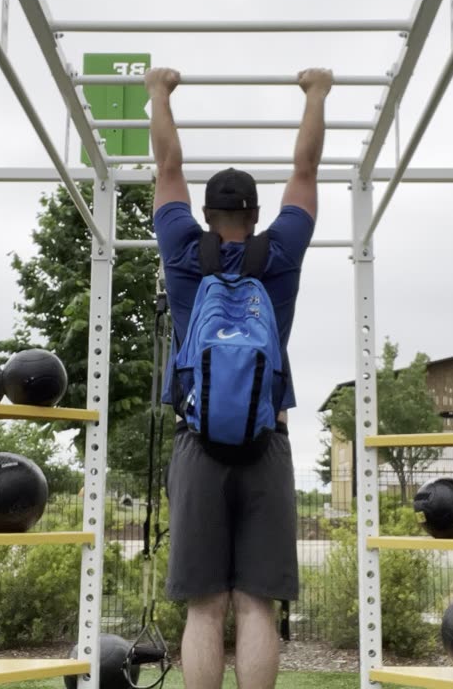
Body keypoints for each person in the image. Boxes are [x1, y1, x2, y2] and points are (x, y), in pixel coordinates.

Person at [144, 65, 333, 689]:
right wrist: (316, 94)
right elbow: (304, 173)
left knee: (205, 606)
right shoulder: (280, 254)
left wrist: (159, 93)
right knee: (256, 602)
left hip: (197, 442)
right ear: (254, 213)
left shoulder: (179, 248)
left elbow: (168, 166)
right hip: (267, 440)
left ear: (205, 211)